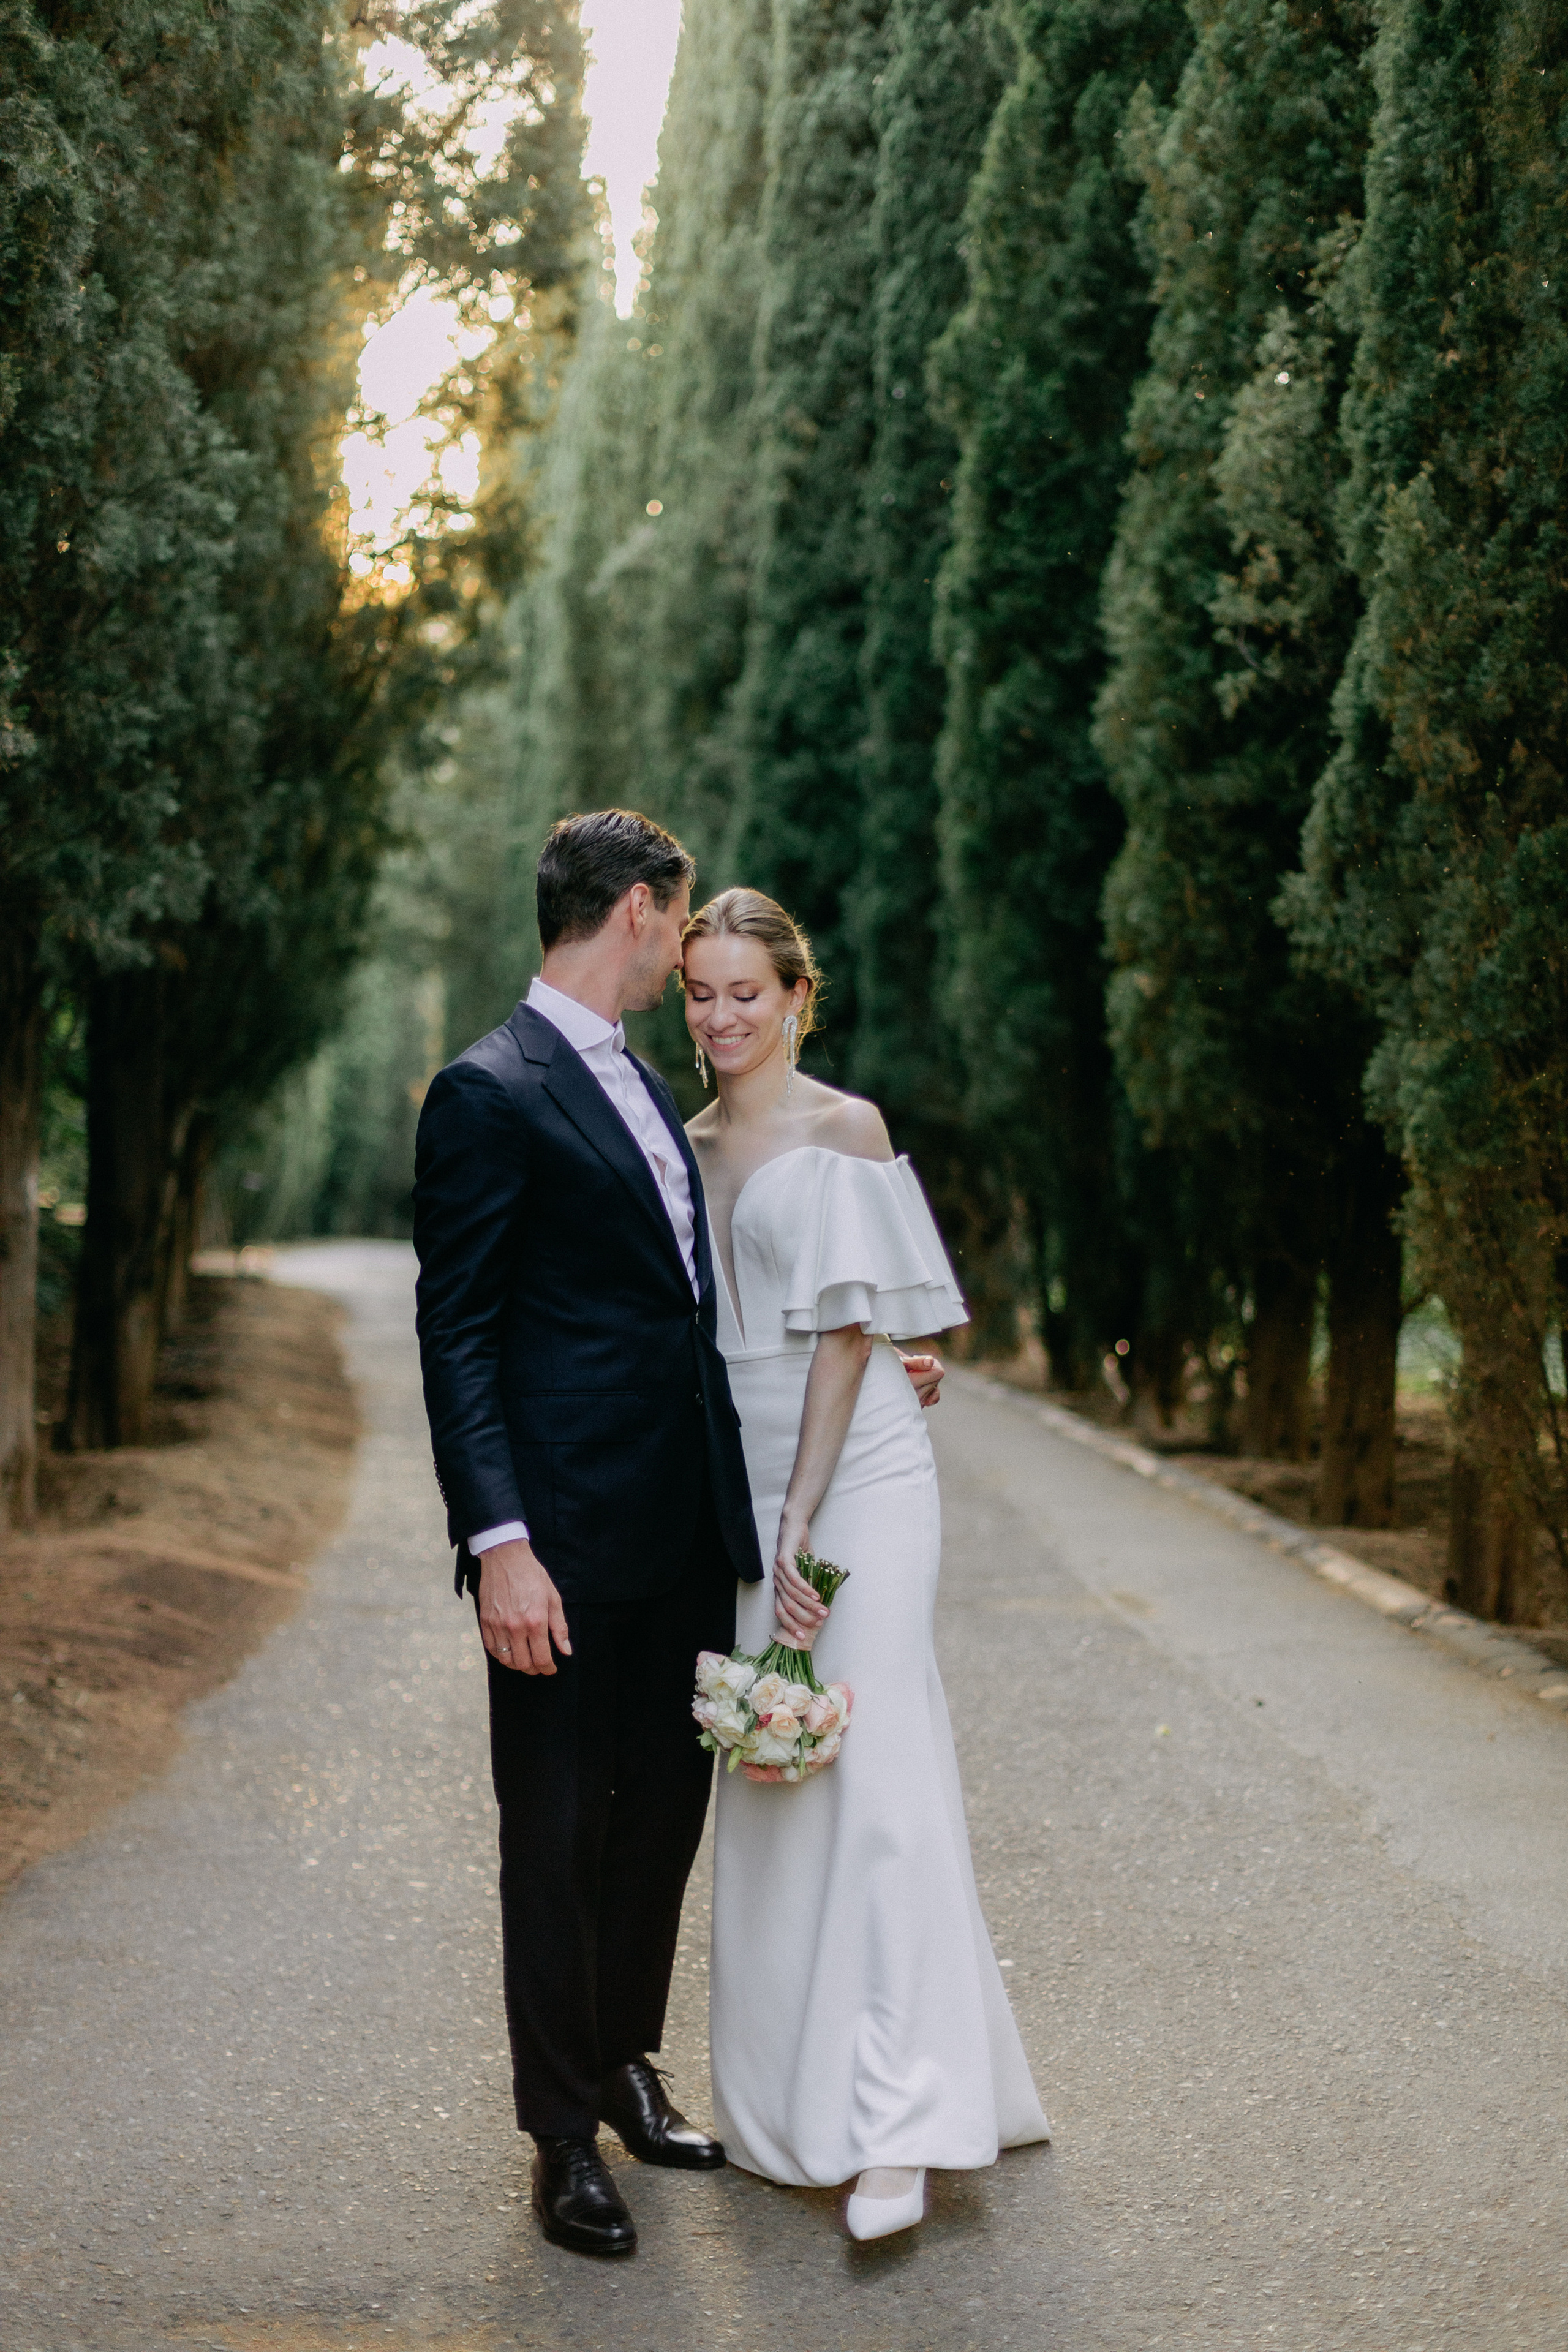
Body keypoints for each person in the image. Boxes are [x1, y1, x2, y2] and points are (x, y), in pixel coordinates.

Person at [410, 812, 943, 2259]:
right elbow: (455, 1336)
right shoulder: (486, 1089)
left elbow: (708, 1299)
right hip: (562, 1546)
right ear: (642, 912)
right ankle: (559, 2135)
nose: (694, 975)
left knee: (661, 1815)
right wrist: (500, 1542)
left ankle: (631, 2064)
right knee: (556, 1826)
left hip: (684, 1523)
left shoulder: (649, 1090)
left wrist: (883, 1349)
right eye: (680, 933)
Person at [683, 886, 1050, 2244]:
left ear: (795, 996)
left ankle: (902, 2123)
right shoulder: (684, 1143)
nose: (722, 1018)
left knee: (876, 1761)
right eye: (700, 993)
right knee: (781, 1777)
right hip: (748, 1487)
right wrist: (752, 1511)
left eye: (746, 993)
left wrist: (802, 1512)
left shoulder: (847, 1128)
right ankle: (789, 2101)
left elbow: (850, 1332)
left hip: (859, 1481)